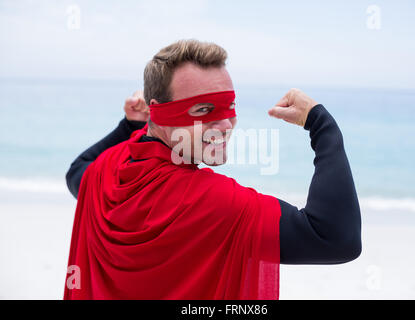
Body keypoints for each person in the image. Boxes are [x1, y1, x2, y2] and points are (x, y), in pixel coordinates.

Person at [64, 39, 361, 300]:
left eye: (229, 106)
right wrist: (323, 127)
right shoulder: (214, 203)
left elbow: (77, 170)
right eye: (203, 110)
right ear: (159, 110)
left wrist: (130, 126)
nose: (224, 124)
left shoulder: (107, 172)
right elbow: (334, 238)